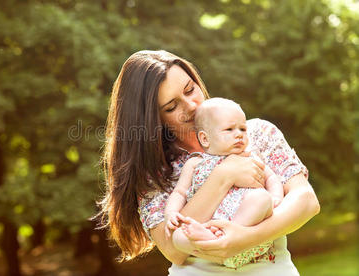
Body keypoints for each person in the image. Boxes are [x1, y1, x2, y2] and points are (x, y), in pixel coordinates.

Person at [98, 50, 320, 276]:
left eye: (190, 89)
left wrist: (244, 239)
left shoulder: (256, 134)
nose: (191, 106)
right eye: (171, 107)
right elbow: (172, 249)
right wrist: (223, 177)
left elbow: (307, 202)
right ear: (153, 119)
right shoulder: (154, 172)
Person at [164, 97, 284, 269]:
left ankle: (229, 237)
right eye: (229, 129)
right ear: (205, 139)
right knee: (178, 237)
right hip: (210, 227)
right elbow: (180, 193)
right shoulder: (195, 164)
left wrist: (275, 197)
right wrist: (171, 214)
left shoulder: (250, 158)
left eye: (243, 129)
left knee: (261, 198)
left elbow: (271, 178)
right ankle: (212, 239)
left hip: (243, 229)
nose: (239, 134)